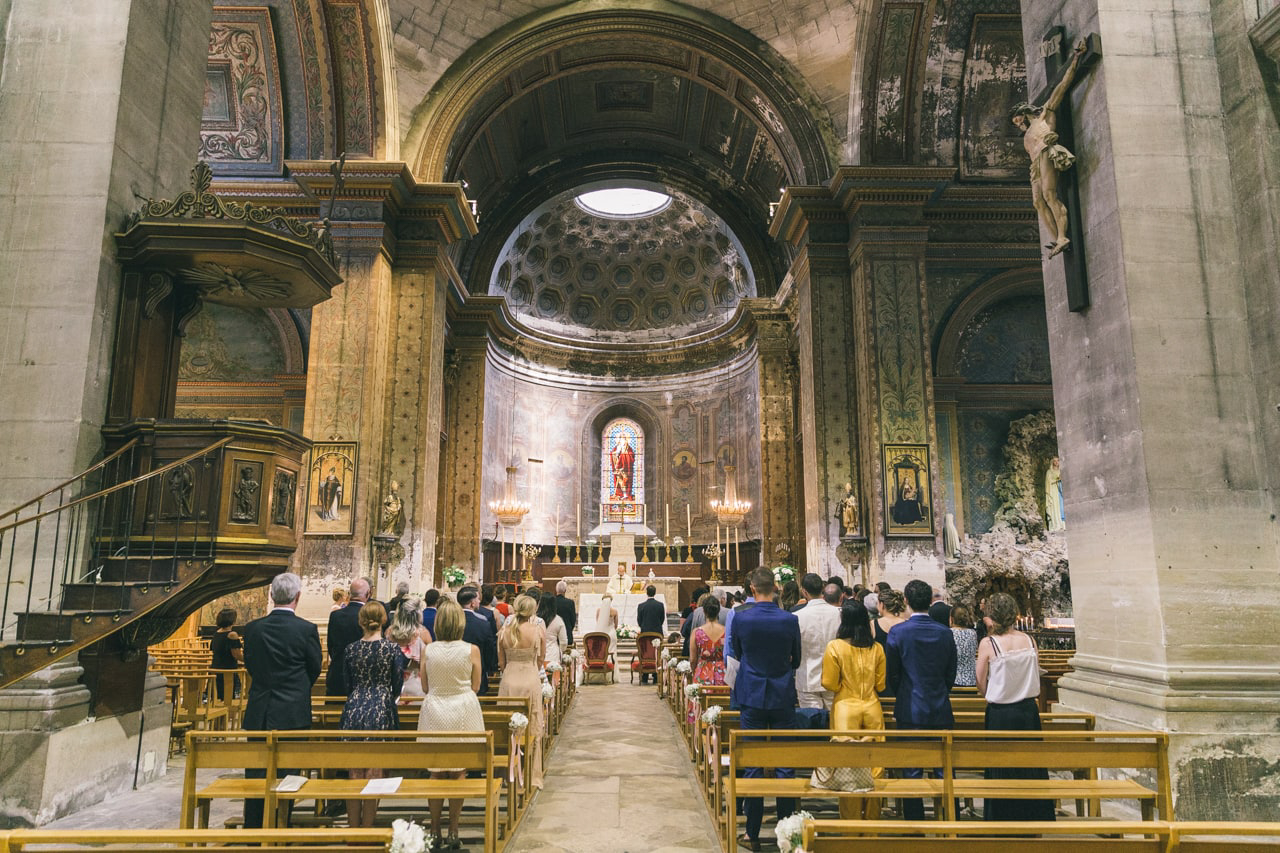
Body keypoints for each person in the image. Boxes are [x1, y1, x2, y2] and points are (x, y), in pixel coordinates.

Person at [240, 572, 322, 829]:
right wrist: (296, 689)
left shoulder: (253, 628)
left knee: (256, 771)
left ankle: (254, 827)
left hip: (260, 709)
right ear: (298, 597)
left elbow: (250, 664)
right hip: (293, 711)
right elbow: (314, 667)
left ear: (271, 595)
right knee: (289, 773)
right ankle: (281, 825)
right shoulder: (306, 629)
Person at [730, 566, 801, 852]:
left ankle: (751, 833)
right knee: (785, 762)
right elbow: (796, 658)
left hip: (752, 694)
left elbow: (736, 652)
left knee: (754, 763)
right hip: (782, 693)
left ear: (752, 589)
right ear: (775, 588)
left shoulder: (740, 618)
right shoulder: (789, 619)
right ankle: (787, 830)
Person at [976, 592, 1055, 821]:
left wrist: (992, 692)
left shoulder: (988, 643)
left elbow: (981, 681)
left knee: (1002, 765)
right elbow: (1036, 672)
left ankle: (1003, 817)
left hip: (1001, 713)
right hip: (1028, 711)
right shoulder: (1029, 640)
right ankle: (1033, 815)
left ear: (991, 615)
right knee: (1030, 764)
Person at [886, 579, 958, 821]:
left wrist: (903, 693)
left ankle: (914, 825)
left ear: (905, 601)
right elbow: (951, 673)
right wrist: (939, 690)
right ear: (930, 601)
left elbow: (893, 674)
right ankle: (950, 821)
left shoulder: (898, 632)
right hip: (939, 705)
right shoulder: (945, 633)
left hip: (910, 707)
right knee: (944, 769)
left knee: (912, 769)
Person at [1011, 39, 1088, 258]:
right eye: (1016, 124)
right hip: (1035, 163)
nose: (1019, 124)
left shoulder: (1044, 114)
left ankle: (1063, 235)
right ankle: (1057, 238)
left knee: (1049, 194)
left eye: (1019, 120)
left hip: (1046, 152)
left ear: (1025, 112)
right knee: (1037, 202)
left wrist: (1076, 59)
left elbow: (1062, 87)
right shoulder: (1026, 135)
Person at [418, 599, 484, 848]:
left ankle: (434, 830)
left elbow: (424, 686)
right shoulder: (471, 649)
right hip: (462, 709)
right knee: (458, 772)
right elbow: (476, 686)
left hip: (434, 708)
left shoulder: (429, 650)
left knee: (435, 771)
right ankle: (453, 830)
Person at [339, 601, 404, 827]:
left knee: (354, 769)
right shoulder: (391, 649)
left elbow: (346, 683)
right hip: (381, 707)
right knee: (375, 769)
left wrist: (359, 692)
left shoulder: (351, 649)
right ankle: (367, 829)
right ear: (384, 620)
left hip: (355, 706)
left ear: (361, 621)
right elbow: (397, 683)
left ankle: (353, 829)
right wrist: (383, 693)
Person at [821, 602, 887, 819]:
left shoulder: (835, 647)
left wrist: (844, 688)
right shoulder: (876, 648)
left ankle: (850, 826)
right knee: (875, 767)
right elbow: (881, 685)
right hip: (871, 707)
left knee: (847, 769)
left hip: (845, 709)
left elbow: (829, 682)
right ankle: (872, 828)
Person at [497, 595, 546, 789]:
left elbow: (501, 662)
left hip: (509, 680)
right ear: (533, 611)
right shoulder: (537, 631)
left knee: (508, 726)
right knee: (532, 725)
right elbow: (541, 659)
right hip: (529, 678)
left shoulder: (504, 631)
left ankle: (508, 775)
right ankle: (529, 773)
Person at [795, 580, 842, 711]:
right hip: (834, 675)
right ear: (822, 589)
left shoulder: (797, 616)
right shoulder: (840, 613)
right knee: (835, 722)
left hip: (807, 676)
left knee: (812, 725)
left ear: (804, 592)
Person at [325, 577, 371, 696]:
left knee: (334, 712)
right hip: (362, 675)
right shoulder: (370, 616)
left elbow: (331, 645)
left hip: (338, 672)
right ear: (368, 594)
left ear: (350, 594)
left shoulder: (336, 616)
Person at [688, 594, 725, 723]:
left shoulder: (697, 632)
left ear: (703, 611)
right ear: (718, 610)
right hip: (722, 672)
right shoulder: (726, 631)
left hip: (703, 671)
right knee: (722, 707)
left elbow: (693, 658)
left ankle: (699, 734)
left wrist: (694, 671)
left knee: (701, 706)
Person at [388, 597, 432, 701]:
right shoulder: (423, 633)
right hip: (417, 684)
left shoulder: (390, 632)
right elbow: (430, 662)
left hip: (393, 684)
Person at [458, 586, 498, 695]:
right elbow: (490, 648)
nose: (480, 601)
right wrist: (490, 667)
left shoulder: (452, 621)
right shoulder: (482, 623)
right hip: (477, 672)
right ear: (472, 603)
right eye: (478, 599)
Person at [210, 607, 243, 700]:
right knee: (228, 699)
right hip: (227, 671)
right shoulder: (232, 635)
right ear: (232, 620)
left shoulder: (216, 633)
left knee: (217, 698)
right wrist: (251, 659)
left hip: (216, 668)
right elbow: (236, 655)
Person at [635, 584, 665, 684]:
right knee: (656, 652)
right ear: (655, 593)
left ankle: (645, 675)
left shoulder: (641, 605)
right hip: (657, 632)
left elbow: (639, 620)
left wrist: (644, 627)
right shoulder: (660, 605)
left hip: (645, 632)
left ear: (646, 593)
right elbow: (662, 619)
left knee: (646, 651)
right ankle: (656, 675)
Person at [536, 592, 568, 685]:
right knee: (553, 685)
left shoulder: (535, 618)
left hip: (537, 654)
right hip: (553, 655)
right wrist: (561, 652)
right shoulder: (558, 619)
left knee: (539, 684)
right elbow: (563, 641)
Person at [950, 603, 978, 689]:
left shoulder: (948, 633)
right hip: (971, 680)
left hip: (954, 680)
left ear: (952, 619)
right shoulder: (973, 633)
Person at [609, 435, 635, 500]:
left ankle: (627, 494)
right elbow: (612, 454)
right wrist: (615, 454)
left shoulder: (628, 448)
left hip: (626, 468)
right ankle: (622, 494)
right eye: (620, 439)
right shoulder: (617, 447)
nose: (622, 441)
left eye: (623, 439)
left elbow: (631, 456)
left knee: (626, 480)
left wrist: (624, 455)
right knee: (620, 481)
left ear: (626, 440)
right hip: (618, 468)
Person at [553, 580, 577, 647]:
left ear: (556, 590)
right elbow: (573, 619)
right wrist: (569, 628)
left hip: (554, 634)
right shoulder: (570, 602)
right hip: (567, 633)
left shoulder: (552, 601)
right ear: (565, 590)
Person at [1045, 456, 1065, 531]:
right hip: (1053, 491)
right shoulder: (1049, 472)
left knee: (1061, 507)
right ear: (1052, 462)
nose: (1056, 462)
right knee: (1055, 507)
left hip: (1061, 491)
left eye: (1058, 460)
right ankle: (1056, 524)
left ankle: (1063, 524)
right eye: (1055, 461)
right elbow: (1048, 482)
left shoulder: (1061, 470)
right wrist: (1057, 480)